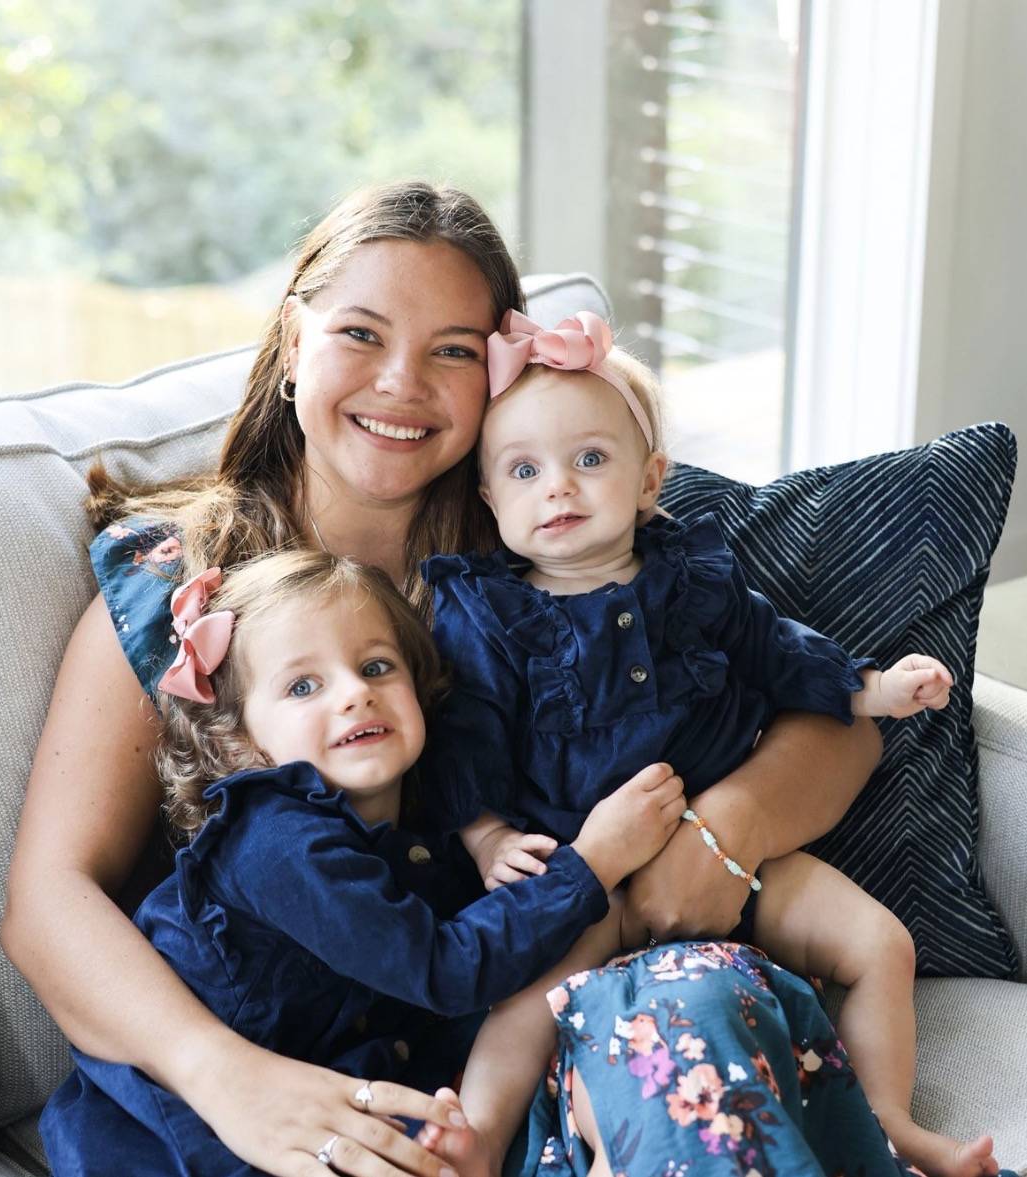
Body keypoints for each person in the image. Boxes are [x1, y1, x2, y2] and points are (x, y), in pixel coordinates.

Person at [1, 180, 886, 1177]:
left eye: (453, 351)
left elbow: (842, 720)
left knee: (692, 1003)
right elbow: (47, 900)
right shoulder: (188, 592)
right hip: (275, 1086)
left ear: (497, 377)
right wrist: (222, 1072)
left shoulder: (563, 534)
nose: (401, 384)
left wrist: (721, 836)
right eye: (361, 334)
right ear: (294, 342)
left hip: (535, 1027)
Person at [416, 310, 1000, 1177]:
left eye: (589, 459)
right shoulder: (487, 616)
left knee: (881, 943)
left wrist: (869, 688)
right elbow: (463, 744)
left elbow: (776, 650)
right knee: (529, 995)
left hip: (738, 856)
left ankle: (883, 1120)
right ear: (491, 498)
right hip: (584, 871)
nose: (558, 488)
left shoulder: (693, 574)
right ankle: (479, 1136)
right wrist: (488, 836)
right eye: (524, 470)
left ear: (649, 478)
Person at [40, 550, 683, 1175]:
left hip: (342, 1085)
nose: (354, 695)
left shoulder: (427, 813)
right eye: (302, 686)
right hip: (174, 1137)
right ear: (237, 741)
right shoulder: (276, 841)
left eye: (376, 667)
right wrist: (592, 863)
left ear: (420, 687)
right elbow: (442, 968)